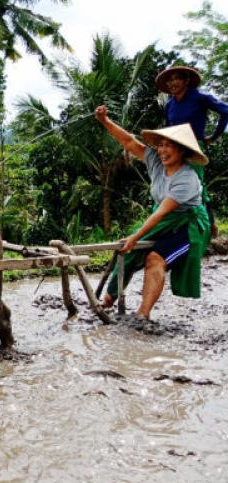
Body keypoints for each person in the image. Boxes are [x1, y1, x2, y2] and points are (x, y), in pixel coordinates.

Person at [95, 105, 210, 320]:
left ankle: (143, 314)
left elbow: (161, 214)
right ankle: (108, 300)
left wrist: (135, 236)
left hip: (188, 224)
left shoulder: (187, 179)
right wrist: (105, 121)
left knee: (155, 258)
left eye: (169, 147)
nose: (163, 151)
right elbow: (129, 142)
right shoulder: (156, 161)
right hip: (165, 217)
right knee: (128, 252)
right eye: (161, 145)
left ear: (182, 151)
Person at [156, 65, 228, 238]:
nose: (173, 83)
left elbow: (225, 111)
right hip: (175, 149)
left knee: (195, 182)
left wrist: (214, 136)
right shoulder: (170, 105)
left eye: (177, 78)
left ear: (186, 80)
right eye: (170, 80)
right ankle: (177, 222)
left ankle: (207, 224)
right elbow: (168, 128)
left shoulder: (199, 97)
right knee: (173, 182)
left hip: (194, 147)